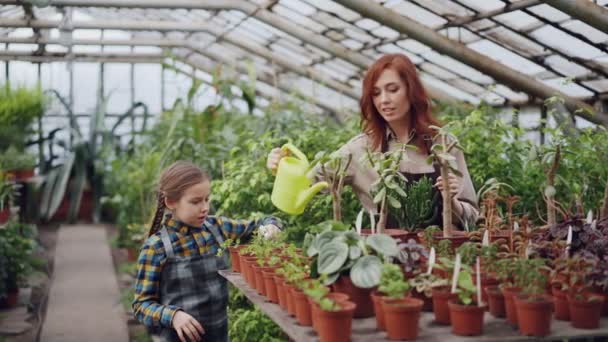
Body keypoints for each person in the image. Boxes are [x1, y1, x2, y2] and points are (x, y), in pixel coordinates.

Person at [267, 53, 478, 230]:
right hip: (386, 266)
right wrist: (282, 166)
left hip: (442, 261)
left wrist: (451, 202)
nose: (384, 100)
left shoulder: (444, 145)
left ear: (411, 90)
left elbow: (473, 218)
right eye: (376, 93)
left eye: (393, 89)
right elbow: (308, 182)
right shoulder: (361, 149)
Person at [133, 161, 282, 342]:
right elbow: (141, 306)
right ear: (171, 202)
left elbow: (261, 223)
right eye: (195, 201)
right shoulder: (156, 247)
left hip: (218, 335)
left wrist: (271, 226)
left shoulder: (217, 227)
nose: (204, 207)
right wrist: (173, 316)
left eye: (206, 199)